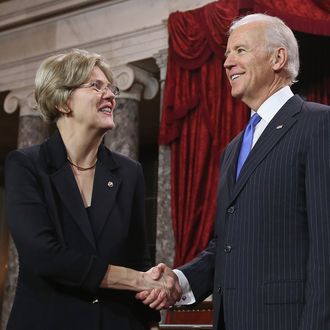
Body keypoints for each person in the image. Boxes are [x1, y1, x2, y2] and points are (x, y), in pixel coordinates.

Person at [136, 13, 330, 330]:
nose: (227, 63)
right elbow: (226, 246)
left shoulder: (318, 124)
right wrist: (180, 280)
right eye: (227, 53)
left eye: (240, 50)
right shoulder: (233, 149)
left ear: (278, 57)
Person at [5, 49, 181, 330]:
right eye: (96, 86)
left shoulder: (128, 172)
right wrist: (138, 279)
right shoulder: (26, 166)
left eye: (111, 87)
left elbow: (137, 256)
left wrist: (151, 320)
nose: (111, 95)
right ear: (63, 101)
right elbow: (44, 255)